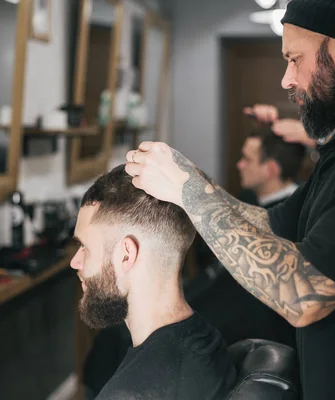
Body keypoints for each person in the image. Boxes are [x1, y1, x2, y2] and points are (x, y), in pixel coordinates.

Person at [124, 0, 335, 399]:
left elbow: (304, 295)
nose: (287, 79)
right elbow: (270, 224)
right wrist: (189, 186)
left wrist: (191, 193)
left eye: (294, 59)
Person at [70, 165, 236, 400]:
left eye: (84, 247)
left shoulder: (128, 394)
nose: (75, 262)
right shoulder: (207, 340)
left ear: (126, 255)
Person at [237, 126, 306, 209]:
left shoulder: (296, 213)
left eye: (247, 159)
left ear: (271, 170)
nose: (239, 165)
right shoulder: (246, 198)